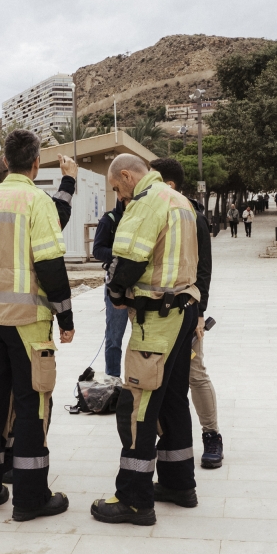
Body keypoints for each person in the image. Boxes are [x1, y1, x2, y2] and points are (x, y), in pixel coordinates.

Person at [0, 129, 74, 521]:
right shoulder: (38, 202)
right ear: (36, 163)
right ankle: (30, 498)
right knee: (31, 404)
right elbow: (50, 266)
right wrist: (66, 317)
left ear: (5, 161)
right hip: (28, 322)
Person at [91, 154, 201, 526]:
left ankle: (134, 498)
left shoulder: (146, 201)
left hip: (155, 318)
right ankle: (178, 484)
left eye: (117, 188)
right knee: (172, 400)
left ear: (126, 175)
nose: (119, 196)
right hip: (183, 310)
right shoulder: (179, 201)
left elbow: (128, 260)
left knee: (136, 407)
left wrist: (118, 297)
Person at [150, 158, 223, 469]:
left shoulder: (193, 216)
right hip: (156, 315)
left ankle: (212, 436)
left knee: (195, 373)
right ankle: (167, 438)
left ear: (169, 185)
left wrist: (199, 314)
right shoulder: (153, 213)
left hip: (188, 310)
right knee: (157, 378)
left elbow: (203, 269)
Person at [92, 198, 129, 377]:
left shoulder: (145, 219)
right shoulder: (110, 220)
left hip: (142, 286)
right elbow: (97, 250)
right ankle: (113, 382)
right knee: (114, 338)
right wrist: (120, 253)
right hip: (116, 286)